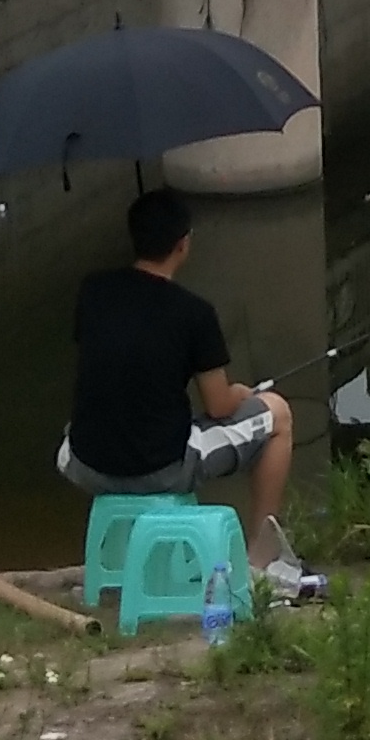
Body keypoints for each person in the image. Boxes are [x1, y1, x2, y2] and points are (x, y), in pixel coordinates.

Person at [63, 186, 308, 585]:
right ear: (183, 244)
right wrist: (241, 393)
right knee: (278, 414)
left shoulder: (93, 291)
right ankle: (261, 556)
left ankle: (123, 557)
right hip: (161, 469)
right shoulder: (194, 313)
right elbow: (218, 406)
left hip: (83, 462)